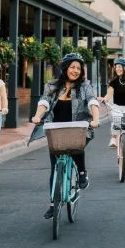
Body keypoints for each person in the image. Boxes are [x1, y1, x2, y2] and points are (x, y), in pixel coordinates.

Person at [31, 52, 100, 219]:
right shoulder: (53, 85)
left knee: (76, 146)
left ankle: (82, 173)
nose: (75, 71)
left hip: (78, 126)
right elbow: (44, 101)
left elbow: (92, 101)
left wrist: (96, 119)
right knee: (55, 168)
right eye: (72, 67)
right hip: (56, 128)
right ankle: (53, 204)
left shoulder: (85, 86)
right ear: (65, 68)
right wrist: (37, 116)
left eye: (78, 68)